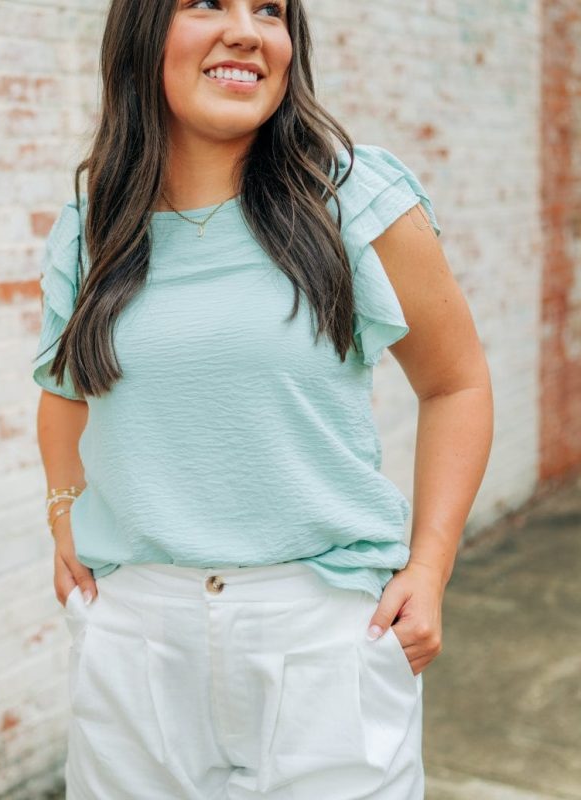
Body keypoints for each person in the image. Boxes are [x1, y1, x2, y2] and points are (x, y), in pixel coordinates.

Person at [33, 0, 494, 797]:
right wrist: (63, 511)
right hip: (138, 632)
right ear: (143, 33)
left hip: (323, 631)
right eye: (208, 4)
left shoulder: (352, 197)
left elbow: (456, 383)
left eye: (271, 11)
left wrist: (430, 565)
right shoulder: (94, 228)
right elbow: (65, 393)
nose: (247, 30)